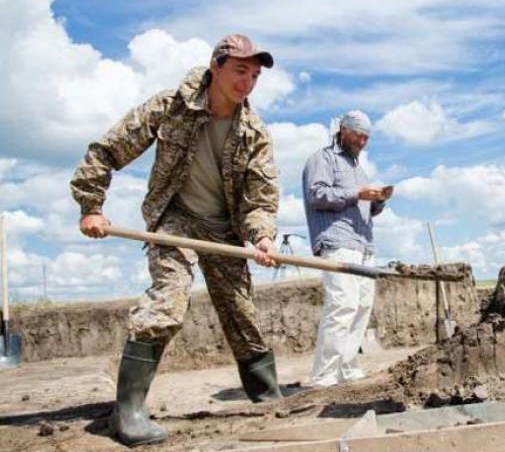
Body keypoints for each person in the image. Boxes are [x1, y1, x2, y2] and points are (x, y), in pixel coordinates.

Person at [71, 34, 284, 446]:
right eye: (240, 71)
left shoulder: (254, 132)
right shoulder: (170, 106)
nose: (248, 82)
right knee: (167, 302)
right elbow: (106, 151)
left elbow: (260, 198)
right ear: (216, 66)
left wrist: (261, 237)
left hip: (225, 229)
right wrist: (91, 205)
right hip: (176, 220)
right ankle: (127, 412)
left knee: (242, 314)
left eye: (255, 75)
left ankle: (267, 398)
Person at [302, 110, 392, 388]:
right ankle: (324, 375)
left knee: (361, 307)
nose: (362, 142)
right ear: (343, 130)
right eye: (358, 135)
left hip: (363, 245)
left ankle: (347, 367)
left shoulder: (359, 169)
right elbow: (316, 195)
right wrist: (357, 194)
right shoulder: (322, 159)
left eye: (366, 138)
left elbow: (363, 208)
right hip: (337, 242)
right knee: (342, 306)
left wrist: (377, 200)